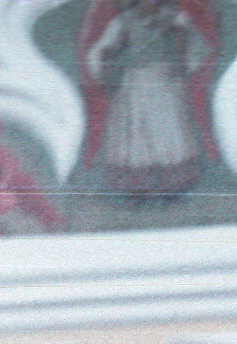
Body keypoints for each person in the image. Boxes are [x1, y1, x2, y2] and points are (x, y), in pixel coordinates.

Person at [79, 0, 221, 200]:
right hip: (134, 83)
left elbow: (195, 48)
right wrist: (108, 56)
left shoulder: (175, 19)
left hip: (165, 81)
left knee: (167, 129)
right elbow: (106, 48)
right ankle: (137, 187)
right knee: (136, 131)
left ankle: (171, 184)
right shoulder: (124, 21)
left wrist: (180, 42)